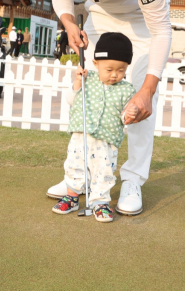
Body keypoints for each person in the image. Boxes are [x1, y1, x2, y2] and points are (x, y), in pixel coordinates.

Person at [47, 0, 172, 216]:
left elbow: (162, 30)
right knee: (87, 91)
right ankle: (79, 179)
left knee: (138, 103)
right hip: (100, 18)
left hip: (143, 25)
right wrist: (68, 22)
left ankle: (132, 180)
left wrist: (147, 89)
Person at [52, 33, 136, 222]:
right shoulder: (86, 80)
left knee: (104, 170)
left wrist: (130, 115)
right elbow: (71, 100)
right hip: (81, 135)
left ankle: (100, 202)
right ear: (95, 63)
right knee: (75, 165)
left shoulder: (126, 89)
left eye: (121, 70)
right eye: (109, 69)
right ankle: (72, 197)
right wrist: (77, 82)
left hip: (106, 139)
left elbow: (125, 115)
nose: (115, 74)